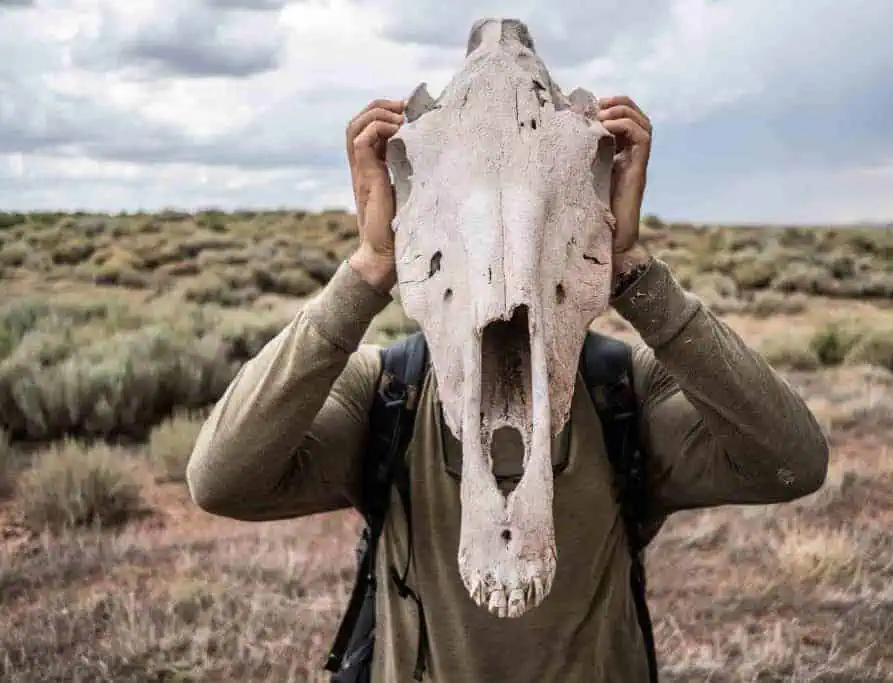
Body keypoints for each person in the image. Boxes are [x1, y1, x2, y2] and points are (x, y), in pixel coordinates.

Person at [186, 95, 830, 682]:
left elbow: (793, 462)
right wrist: (369, 270)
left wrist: (633, 272)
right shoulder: (386, 395)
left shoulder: (626, 394)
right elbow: (221, 479)